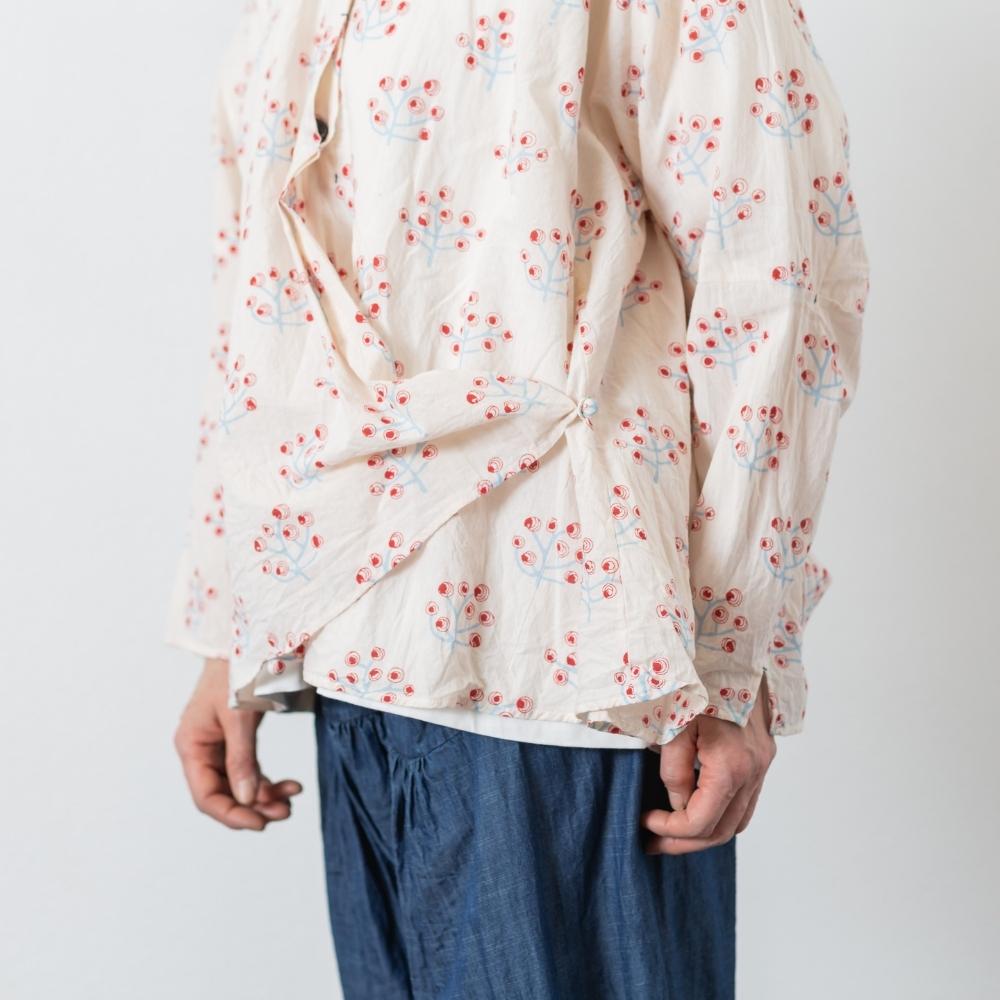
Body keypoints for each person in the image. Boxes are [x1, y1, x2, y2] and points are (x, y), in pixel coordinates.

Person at [167, 1, 869, 997]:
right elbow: (256, 293)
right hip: (352, 646)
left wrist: (733, 659)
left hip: (568, 662)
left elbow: (777, 284)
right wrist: (230, 629)